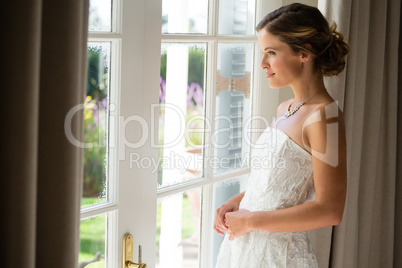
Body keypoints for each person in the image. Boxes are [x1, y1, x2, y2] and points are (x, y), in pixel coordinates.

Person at [213, 3, 349, 268]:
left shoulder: (325, 117)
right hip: (244, 249)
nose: (263, 64)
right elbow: (276, 187)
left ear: (304, 53)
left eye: (271, 53)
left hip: (281, 257)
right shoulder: (285, 108)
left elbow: (330, 210)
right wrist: (238, 201)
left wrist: (251, 220)